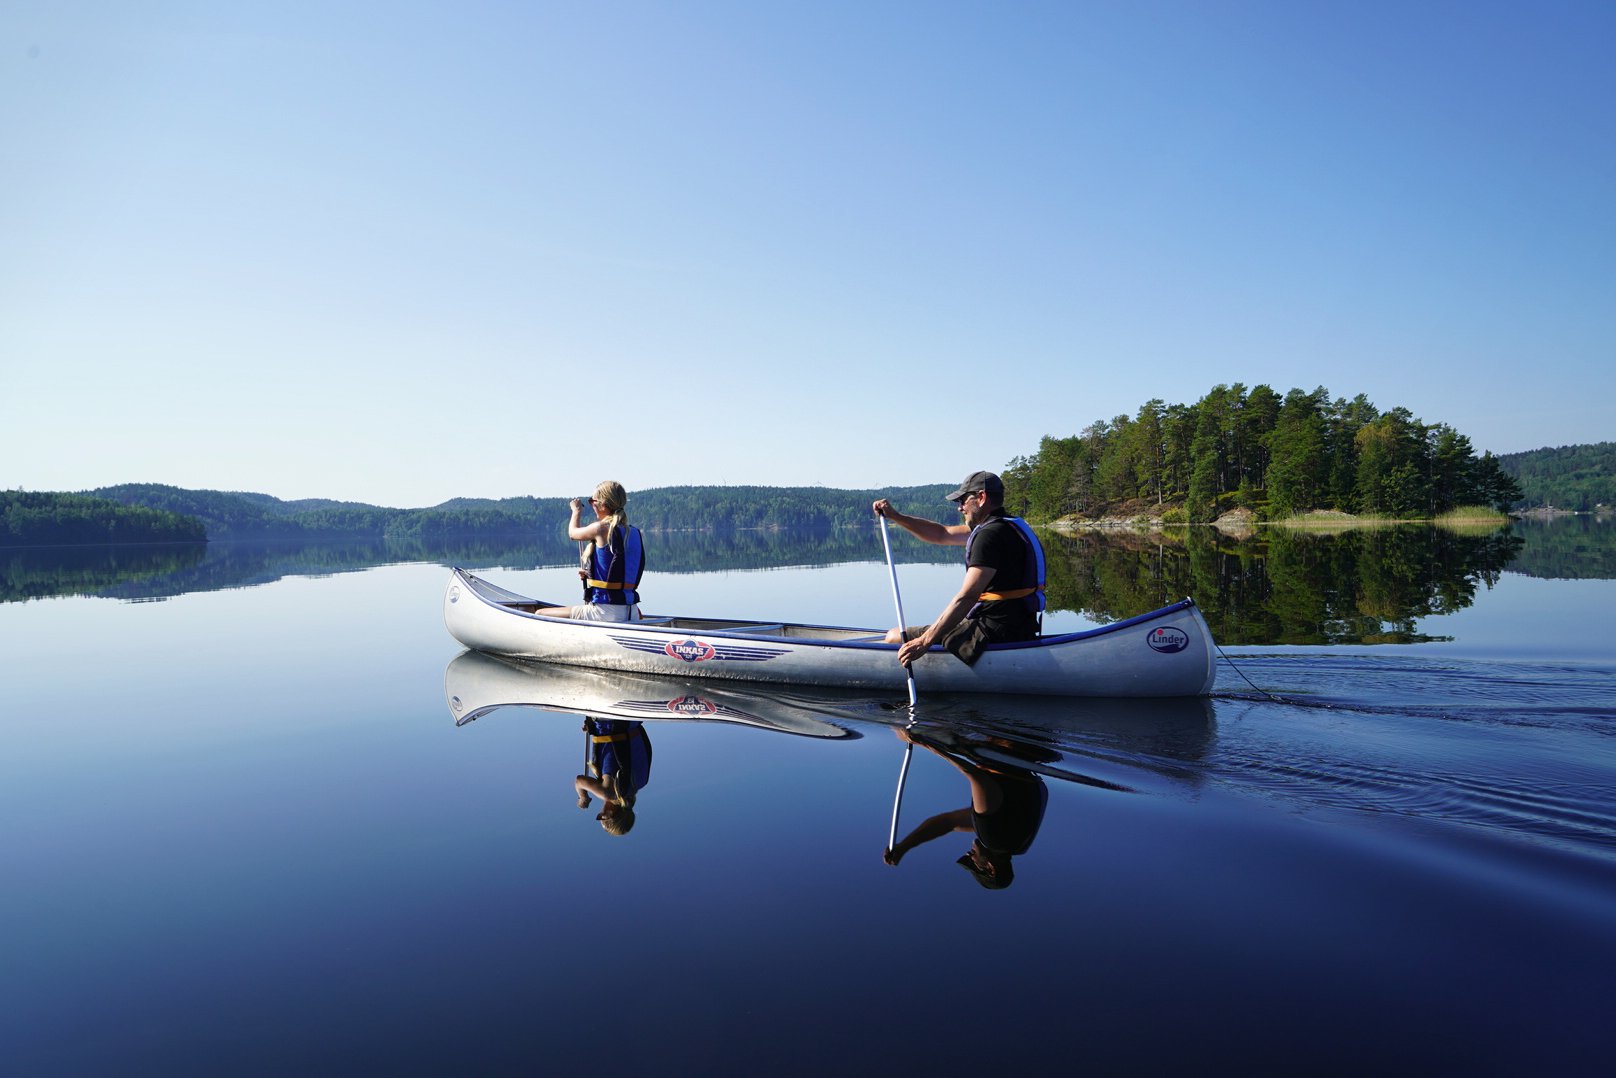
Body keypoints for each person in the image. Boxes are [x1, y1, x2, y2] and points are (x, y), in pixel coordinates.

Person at [871, 470, 1046, 667]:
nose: (960, 508)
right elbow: (942, 534)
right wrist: (896, 516)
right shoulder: (1010, 527)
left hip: (991, 633)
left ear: (981, 497)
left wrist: (924, 641)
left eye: (963, 501)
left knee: (893, 636)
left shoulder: (988, 536)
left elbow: (967, 597)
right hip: (1024, 627)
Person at [882, 725, 1048, 889]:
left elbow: (948, 822)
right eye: (972, 862)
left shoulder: (1013, 839)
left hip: (1032, 749)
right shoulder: (993, 838)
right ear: (990, 868)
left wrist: (904, 847)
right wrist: (923, 743)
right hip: (1005, 746)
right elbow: (975, 775)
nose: (969, 855)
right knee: (902, 729)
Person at [537, 480, 645, 622]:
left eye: (591, 501)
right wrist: (591, 575)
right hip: (632, 611)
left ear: (602, 505)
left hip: (605, 612)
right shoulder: (635, 532)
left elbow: (573, 533)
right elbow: (619, 568)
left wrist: (576, 511)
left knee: (539, 613)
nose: (591, 505)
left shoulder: (600, 528)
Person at [574, 717, 652, 836]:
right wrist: (583, 798)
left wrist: (593, 728)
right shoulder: (608, 793)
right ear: (611, 815)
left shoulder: (641, 782)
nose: (600, 814)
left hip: (631, 720)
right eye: (602, 817)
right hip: (607, 720)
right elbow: (579, 781)